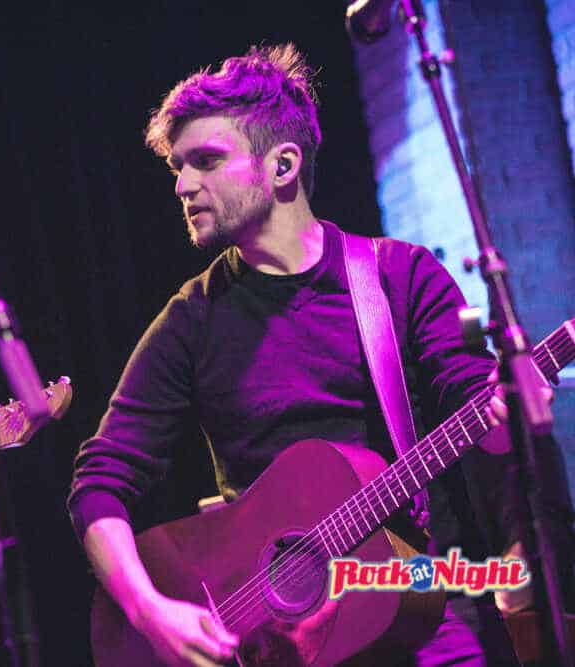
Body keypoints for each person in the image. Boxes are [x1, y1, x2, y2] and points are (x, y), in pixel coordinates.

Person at [68, 44, 573, 666]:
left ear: (282, 165)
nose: (183, 184)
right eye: (178, 166)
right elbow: (99, 483)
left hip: (419, 612)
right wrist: (150, 611)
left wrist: (506, 418)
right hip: (275, 644)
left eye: (207, 161)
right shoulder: (191, 319)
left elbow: (478, 411)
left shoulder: (398, 277)